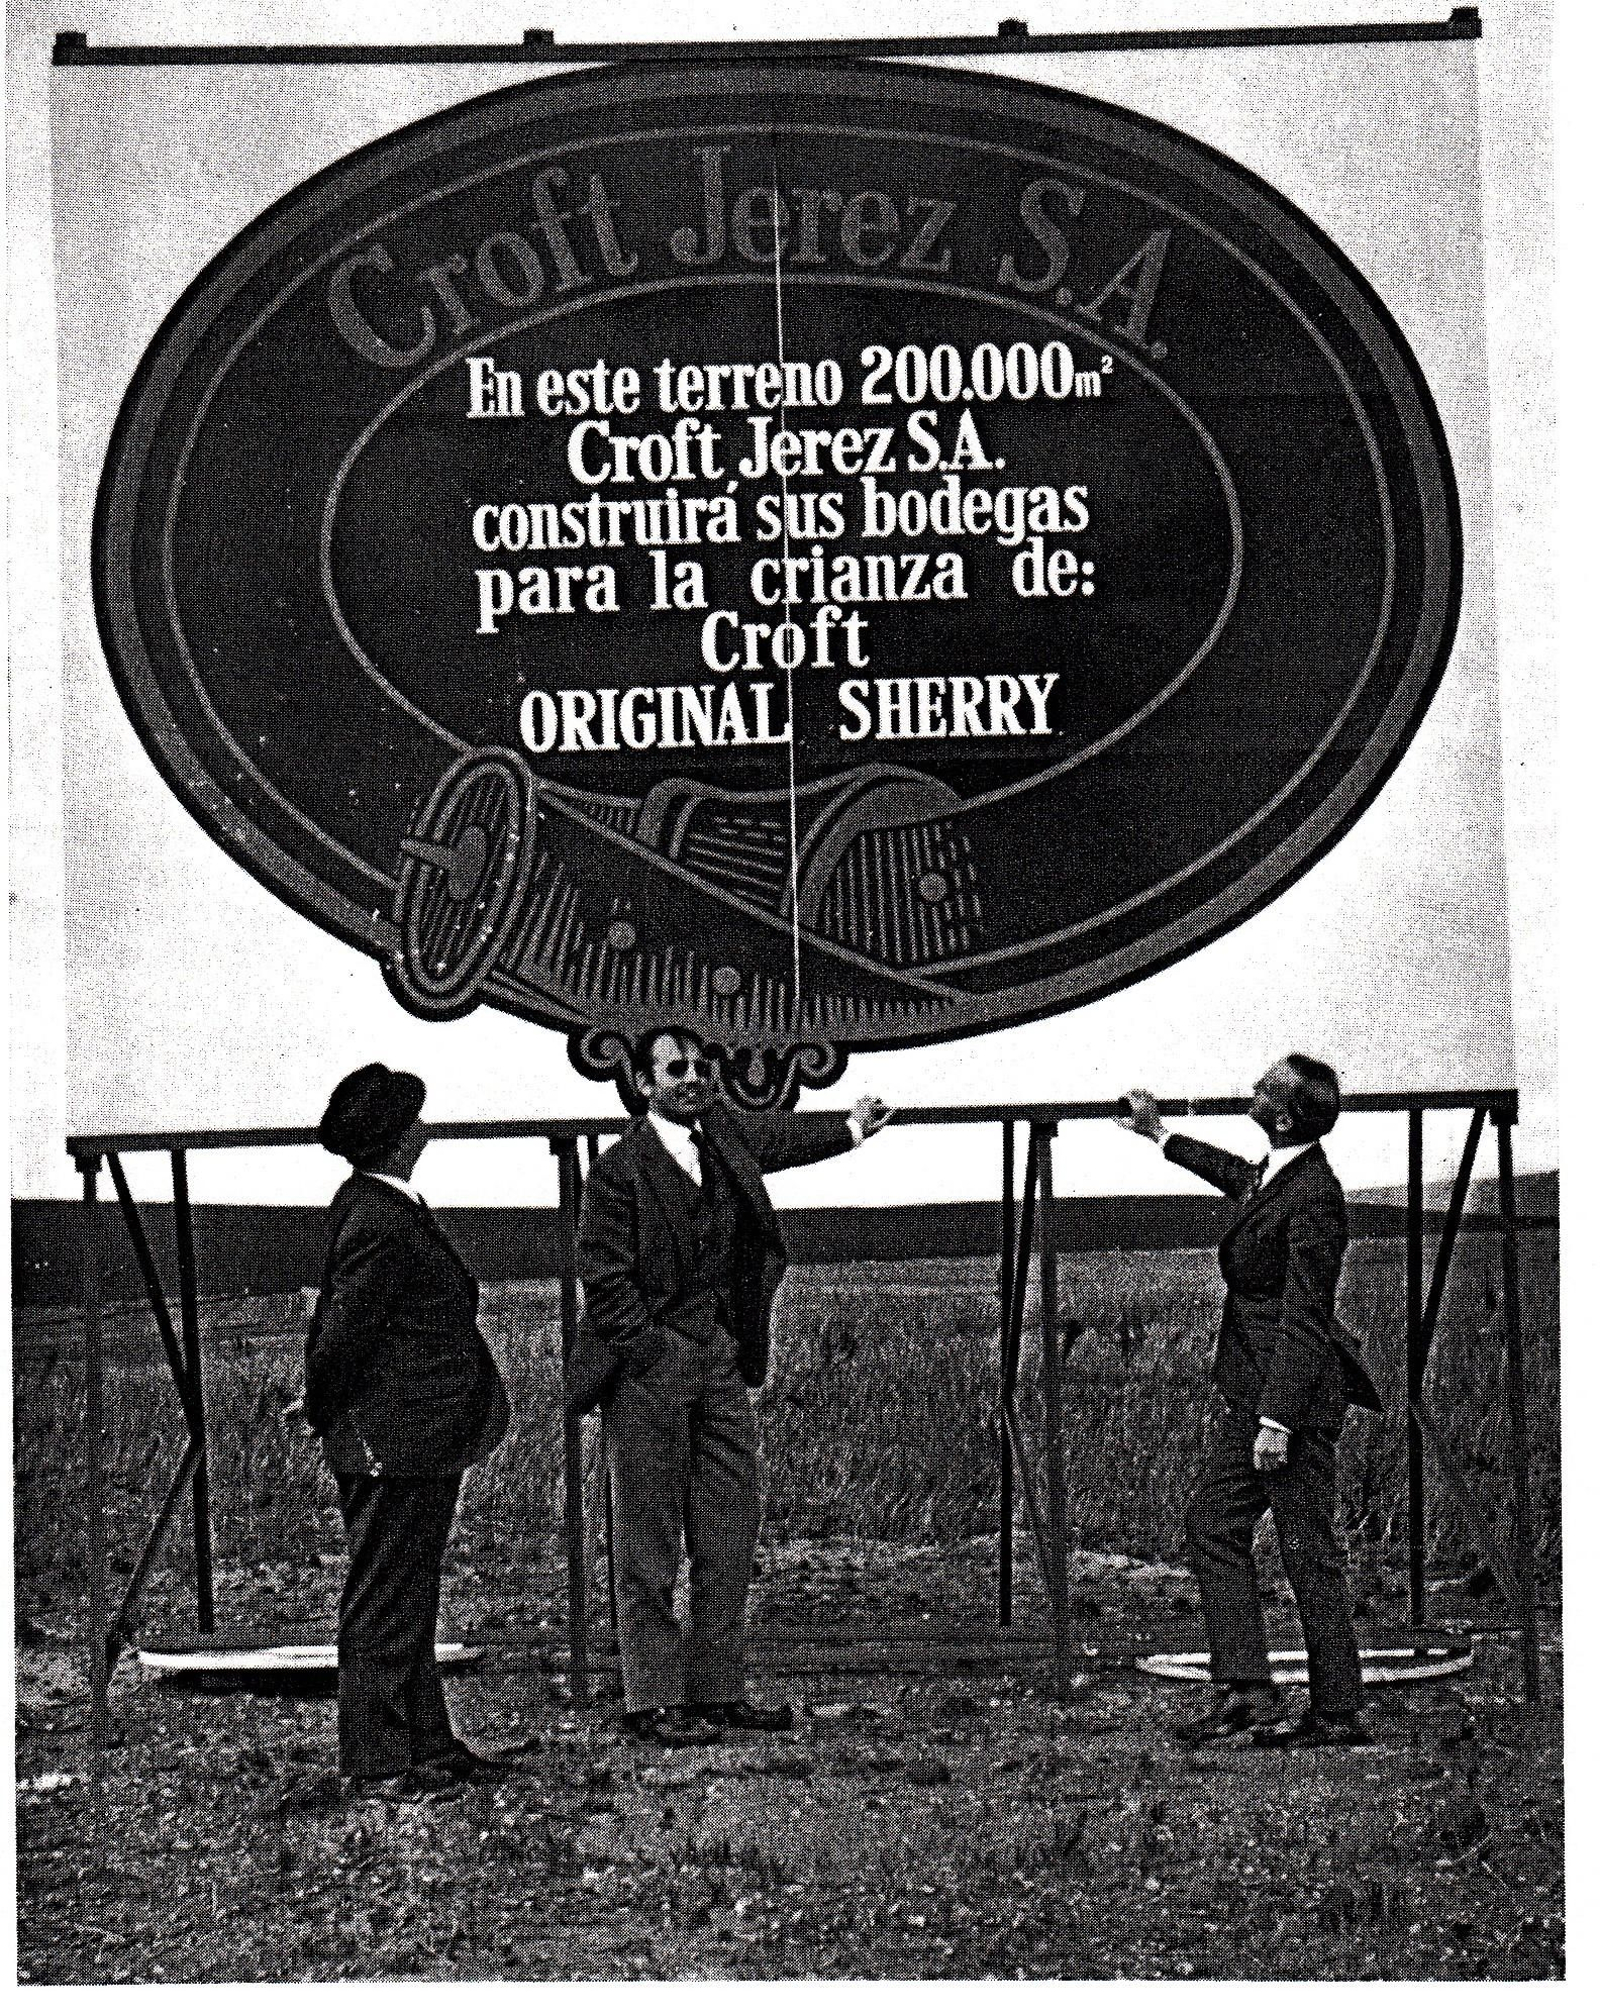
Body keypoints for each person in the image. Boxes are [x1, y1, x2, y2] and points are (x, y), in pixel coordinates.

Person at [572, 1027, 891, 1746]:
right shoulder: (620, 1170)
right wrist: (651, 1351)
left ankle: (718, 1689)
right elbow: (604, 1277)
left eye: (701, 1064)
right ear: (644, 1084)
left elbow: (783, 1141)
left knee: (728, 1525)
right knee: (647, 1536)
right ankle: (652, 1698)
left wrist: (852, 1128)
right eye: (676, 1067)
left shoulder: (723, 1140)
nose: (694, 1076)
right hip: (651, 1370)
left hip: (718, 1359)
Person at [1119, 1056, 1382, 1748]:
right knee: (1215, 1521)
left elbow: (1306, 1316)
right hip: (1261, 1391)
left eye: (1266, 1086)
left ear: (1288, 1113)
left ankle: (1335, 1711)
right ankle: (1247, 1690)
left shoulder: (1315, 1195)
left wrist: (1278, 1421)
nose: (1252, 1090)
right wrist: (1159, 1134)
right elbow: (1238, 1178)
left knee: (1305, 1548)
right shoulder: (1282, 1173)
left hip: (1288, 1400)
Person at [307, 1063, 511, 1799]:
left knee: (409, 1593)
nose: (424, 1127)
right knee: (384, 1598)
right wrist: (326, 1407)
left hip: (412, 1439)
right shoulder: (379, 1218)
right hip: (392, 1443)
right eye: (414, 1120)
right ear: (399, 1140)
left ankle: (426, 1741)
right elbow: (339, 1337)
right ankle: (379, 1759)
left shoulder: (380, 1206)